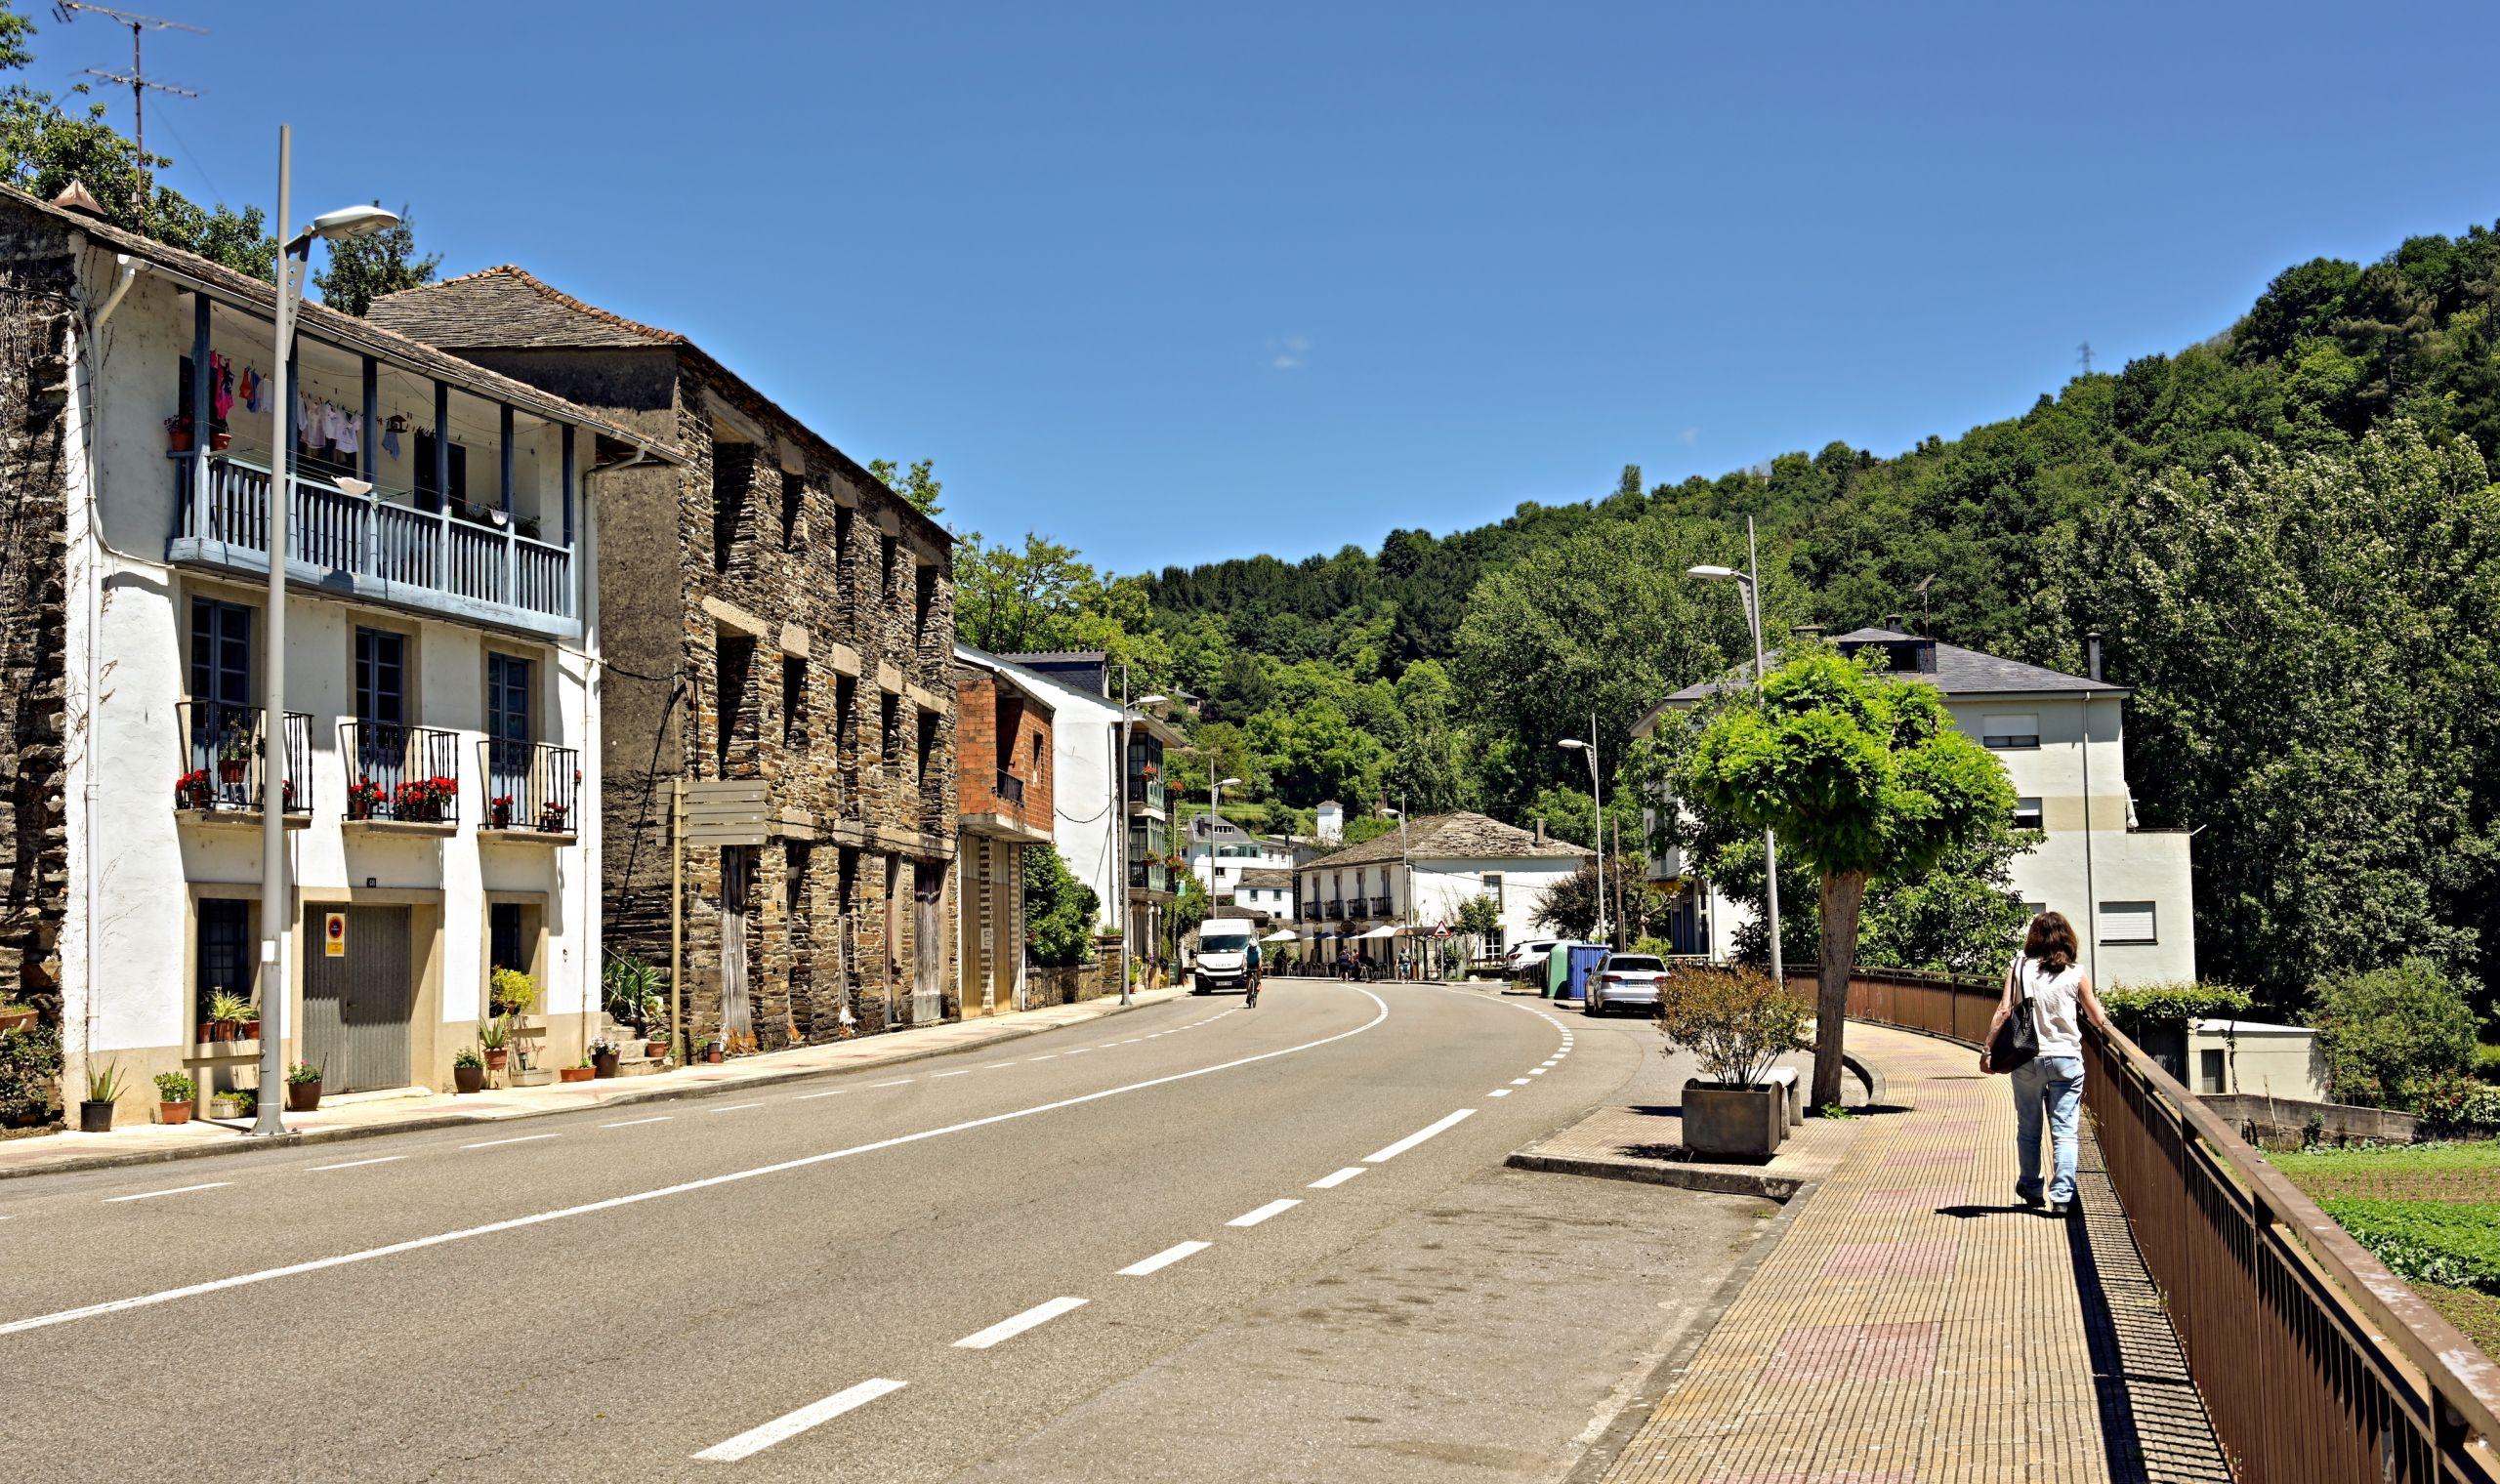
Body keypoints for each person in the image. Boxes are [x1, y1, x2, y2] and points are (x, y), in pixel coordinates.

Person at [1981, 910, 2113, 1215]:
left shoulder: (2020, 967)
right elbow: (2096, 1017)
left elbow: (2004, 1010)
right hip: (2067, 1059)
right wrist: (2106, 1022)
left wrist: (1988, 1049)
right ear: (2066, 938)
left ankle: (2030, 1186)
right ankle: (2063, 1197)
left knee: (2029, 1127)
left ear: (2034, 937)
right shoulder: (2076, 973)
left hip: (2028, 1059)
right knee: (2065, 1131)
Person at [1245, 936, 1263, 1008]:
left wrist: (1259, 967)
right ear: (1249, 946)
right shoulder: (1246, 949)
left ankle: (1258, 982)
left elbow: (1260, 959)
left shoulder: (1258, 949)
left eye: (1254, 947)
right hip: (1249, 963)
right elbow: (1244, 958)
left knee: (1259, 972)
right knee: (1248, 980)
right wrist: (1244, 966)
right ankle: (1248, 994)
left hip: (1256, 963)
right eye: (1252, 947)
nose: (1253, 948)